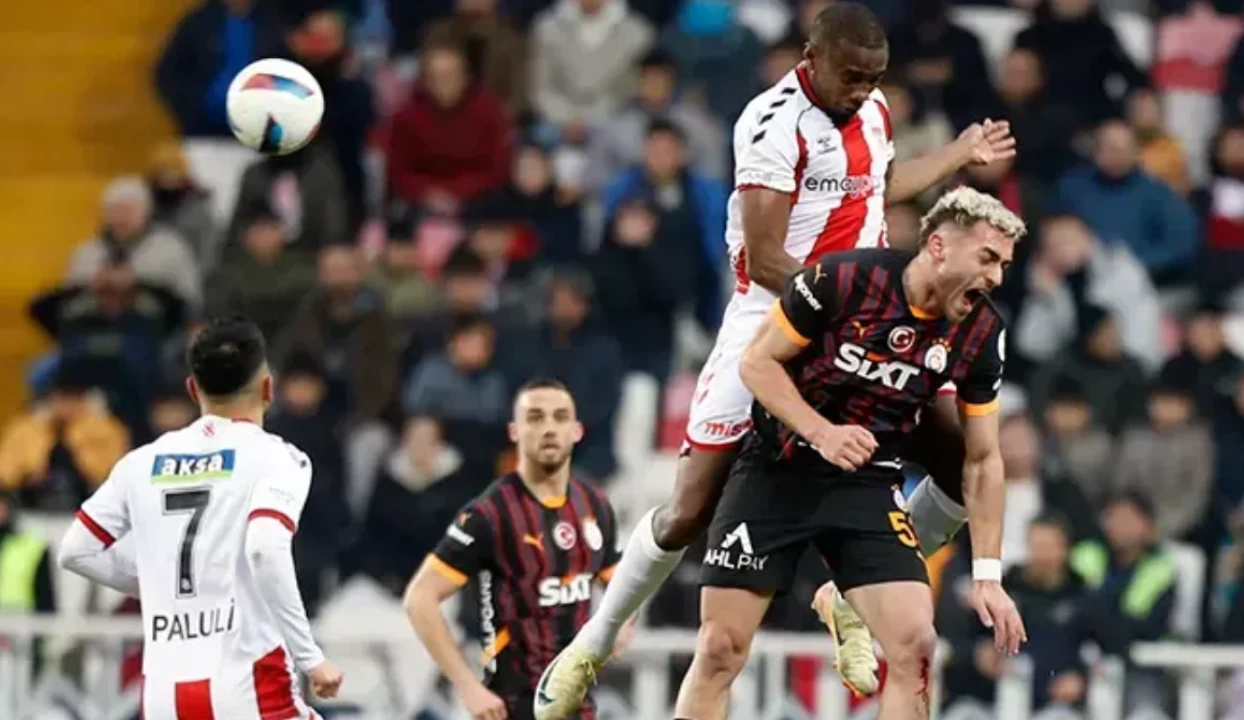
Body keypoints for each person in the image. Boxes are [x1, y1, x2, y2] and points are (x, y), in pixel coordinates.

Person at [535, 4, 1018, 715]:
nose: (863, 89)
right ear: (810, 59)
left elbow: (877, 185)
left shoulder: (872, 109)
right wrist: (844, 310)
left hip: (865, 323)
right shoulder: (772, 122)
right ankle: (593, 642)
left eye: (874, 77)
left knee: (957, 461)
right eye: (851, 76)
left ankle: (854, 596)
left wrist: (956, 154)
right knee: (688, 510)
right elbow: (764, 257)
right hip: (776, 317)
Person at [674, 188, 1028, 720]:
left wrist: (988, 577)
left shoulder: (982, 332)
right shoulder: (842, 278)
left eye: (1003, 264)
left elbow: (982, 460)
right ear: (938, 246)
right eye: (987, 258)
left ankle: (842, 600)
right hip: (776, 469)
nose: (996, 277)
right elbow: (757, 364)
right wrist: (822, 432)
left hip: (868, 481)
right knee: (720, 647)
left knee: (916, 647)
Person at [56, 317, 343, 719]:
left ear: (193, 389)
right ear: (268, 388)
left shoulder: (141, 463)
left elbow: (75, 550)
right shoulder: (277, 457)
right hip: (247, 684)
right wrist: (310, 658)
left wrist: (159, 585)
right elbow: (264, 548)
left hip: (163, 694)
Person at [404, 380, 629, 720]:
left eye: (560, 417)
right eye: (535, 418)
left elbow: (622, 581)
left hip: (577, 707)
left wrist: (622, 623)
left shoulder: (594, 505)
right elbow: (419, 599)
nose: (549, 428)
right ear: (515, 431)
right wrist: (467, 686)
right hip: (510, 707)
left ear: (577, 431)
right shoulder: (489, 514)